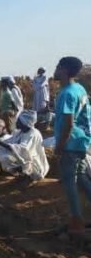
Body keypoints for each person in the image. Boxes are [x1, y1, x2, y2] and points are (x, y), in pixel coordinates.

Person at [53, 56, 91, 236]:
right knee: (82, 178)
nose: (55, 69)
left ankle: (77, 222)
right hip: (82, 141)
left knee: (70, 183)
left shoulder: (67, 93)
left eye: (58, 66)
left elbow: (68, 123)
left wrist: (60, 146)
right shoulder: (79, 89)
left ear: (65, 70)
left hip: (71, 144)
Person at [0, 110, 49, 180]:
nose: (16, 122)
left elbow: (23, 149)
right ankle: (20, 172)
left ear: (24, 122)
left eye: (19, 120)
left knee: (6, 156)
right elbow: (6, 142)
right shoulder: (20, 132)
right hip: (25, 162)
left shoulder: (33, 134)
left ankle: (25, 173)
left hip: (36, 167)